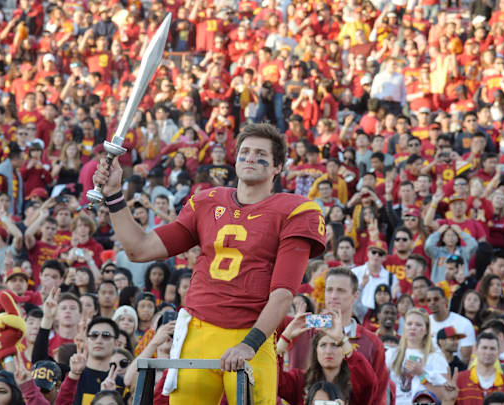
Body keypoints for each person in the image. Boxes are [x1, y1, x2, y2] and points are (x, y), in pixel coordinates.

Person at [94, 123, 326, 405]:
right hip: (198, 331)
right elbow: (139, 249)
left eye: (260, 153)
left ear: (277, 166)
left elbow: (283, 293)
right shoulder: (206, 202)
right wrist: (114, 195)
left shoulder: (296, 210)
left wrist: (249, 344)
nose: (250, 158)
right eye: (245, 151)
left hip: (251, 332)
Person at [276, 311, 378, 404]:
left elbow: (369, 382)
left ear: (343, 349)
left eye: (335, 345)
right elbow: (275, 380)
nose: (328, 351)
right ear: (316, 350)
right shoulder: (299, 381)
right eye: (323, 345)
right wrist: (285, 337)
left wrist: (342, 340)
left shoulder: (354, 383)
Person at [386, 308, 449, 405]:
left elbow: (445, 395)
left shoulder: (436, 356)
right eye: (409, 324)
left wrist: (421, 373)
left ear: (426, 330)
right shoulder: (391, 354)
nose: (413, 327)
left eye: (418, 325)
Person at [455, 332, 504, 404]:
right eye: (484, 348)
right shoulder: (459, 380)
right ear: (476, 350)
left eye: (492, 348)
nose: (488, 352)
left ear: (498, 352)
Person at [427, 287, 476, 365]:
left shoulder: (464, 323)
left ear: (446, 300)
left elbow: (466, 359)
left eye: (436, 299)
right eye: (428, 300)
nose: (432, 302)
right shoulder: (424, 323)